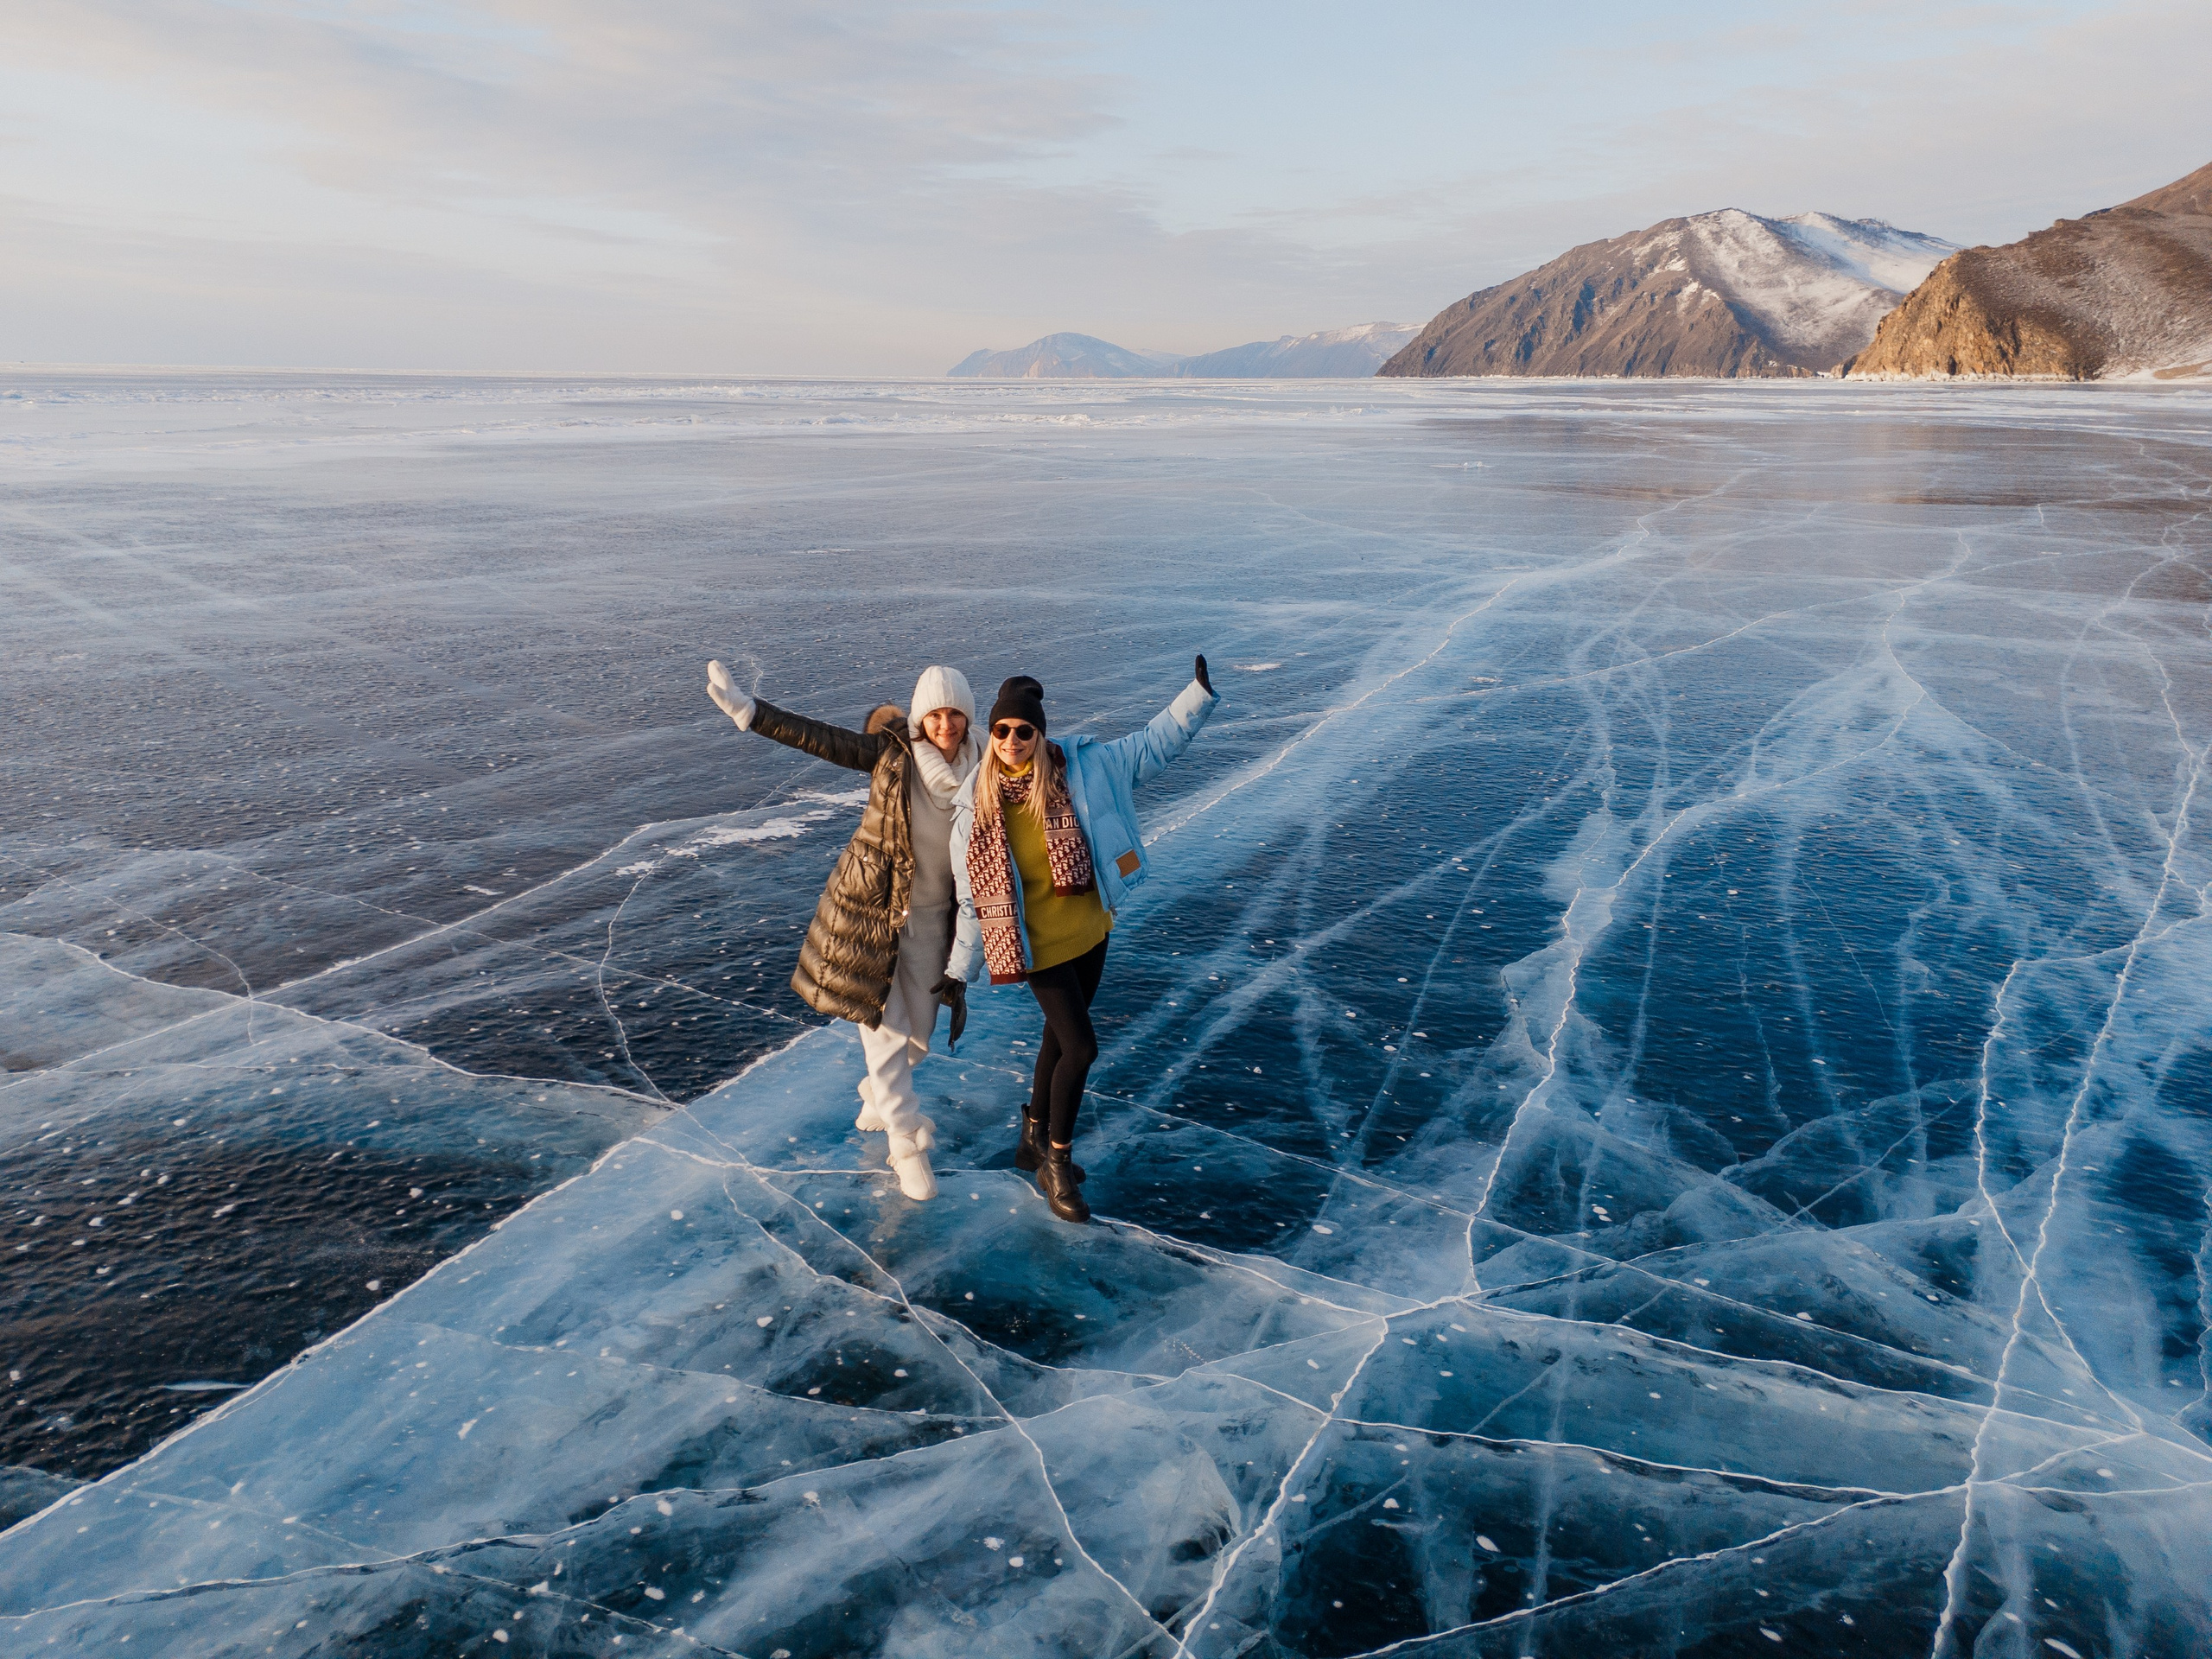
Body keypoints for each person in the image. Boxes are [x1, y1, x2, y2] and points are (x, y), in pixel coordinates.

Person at [945, 656, 1217, 1223]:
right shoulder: (976, 807)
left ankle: (1032, 1139)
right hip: (1037, 945)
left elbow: (1152, 746)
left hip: (1091, 929)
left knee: (1058, 1041)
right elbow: (972, 898)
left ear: (1039, 732)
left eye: (1024, 730)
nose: (1012, 740)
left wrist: (1196, 697)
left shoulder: (1084, 768)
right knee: (1083, 1047)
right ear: (990, 734)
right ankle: (1058, 1162)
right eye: (1001, 731)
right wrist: (957, 970)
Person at [706, 659, 979, 1202]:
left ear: (968, 718)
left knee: (918, 1035)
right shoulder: (892, 755)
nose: (944, 725)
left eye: (954, 714)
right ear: (920, 717)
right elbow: (822, 740)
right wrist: (750, 712)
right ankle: (906, 1145)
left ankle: (877, 1096)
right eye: (934, 714)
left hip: (935, 917)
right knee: (883, 1024)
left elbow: (1033, 770)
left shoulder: (981, 768)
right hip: (873, 908)